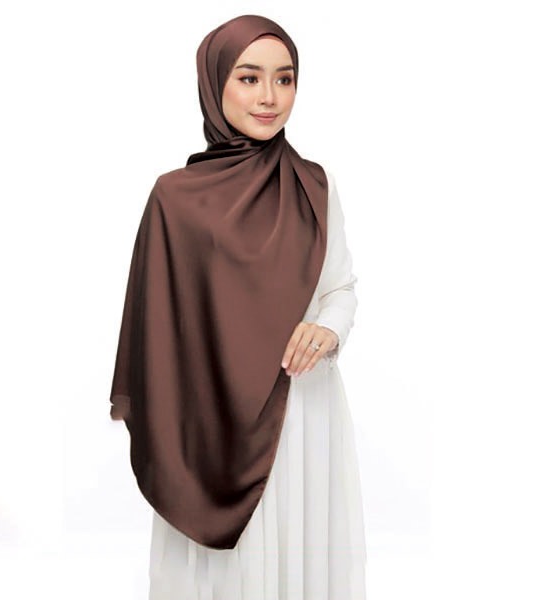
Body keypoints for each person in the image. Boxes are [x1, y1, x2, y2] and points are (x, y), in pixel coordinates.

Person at [109, 13, 367, 600]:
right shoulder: (175, 197)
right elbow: (157, 326)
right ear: (214, 81)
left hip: (299, 411)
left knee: (295, 561)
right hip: (211, 418)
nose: (270, 97)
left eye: (285, 78)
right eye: (249, 78)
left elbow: (340, 287)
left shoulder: (315, 185)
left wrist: (328, 329)